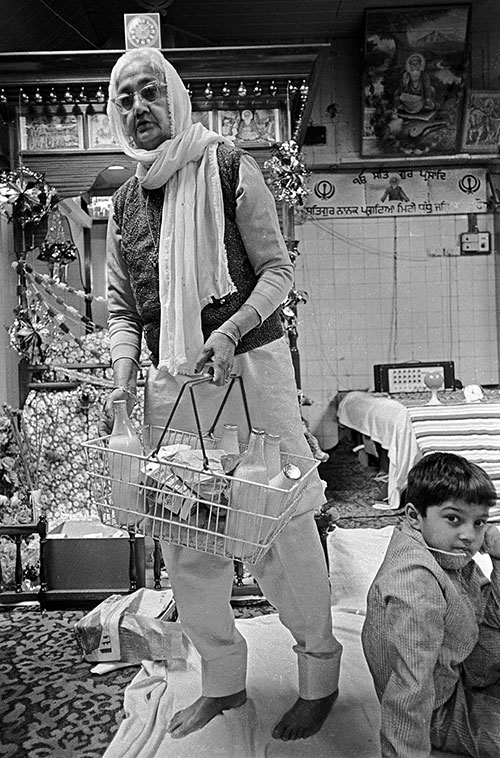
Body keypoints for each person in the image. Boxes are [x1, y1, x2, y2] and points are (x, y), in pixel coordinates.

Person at [100, 48, 342, 742]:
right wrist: (122, 368)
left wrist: (232, 331)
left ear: (174, 96)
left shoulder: (232, 166)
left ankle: (320, 675)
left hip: (254, 372)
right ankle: (224, 682)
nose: (139, 108)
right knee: (188, 535)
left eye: (150, 92)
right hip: (177, 384)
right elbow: (122, 308)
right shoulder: (124, 201)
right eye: (125, 99)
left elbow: (276, 272)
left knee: (282, 527)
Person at [361, 452, 500, 758]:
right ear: (413, 516)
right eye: (454, 519)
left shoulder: (443, 548)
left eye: (478, 522)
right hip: (438, 712)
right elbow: (410, 691)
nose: (469, 536)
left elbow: (488, 616)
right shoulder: (415, 586)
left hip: (464, 668)